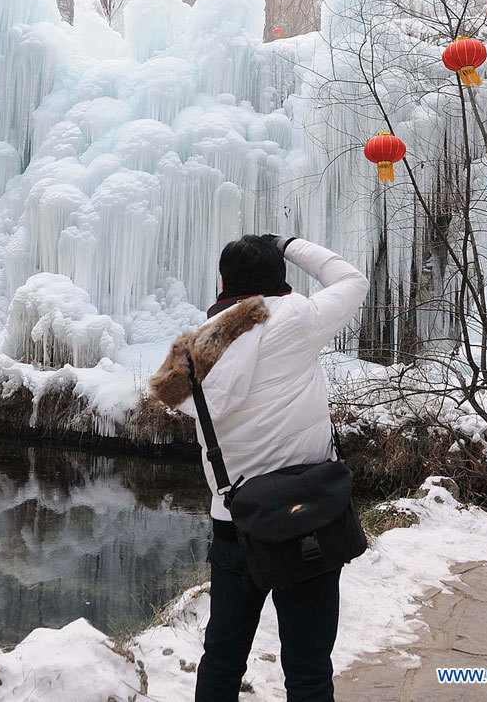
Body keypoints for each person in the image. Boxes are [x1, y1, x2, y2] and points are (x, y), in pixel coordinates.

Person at [150, 234, 369, 702]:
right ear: (280, 281)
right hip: (308, 520)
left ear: (224, 283)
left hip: (237, 524)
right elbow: (351, 279)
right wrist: (288, 243)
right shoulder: (297, 317)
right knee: (309, 673)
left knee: (223, 661)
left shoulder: (192, 355)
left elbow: (172, 395)